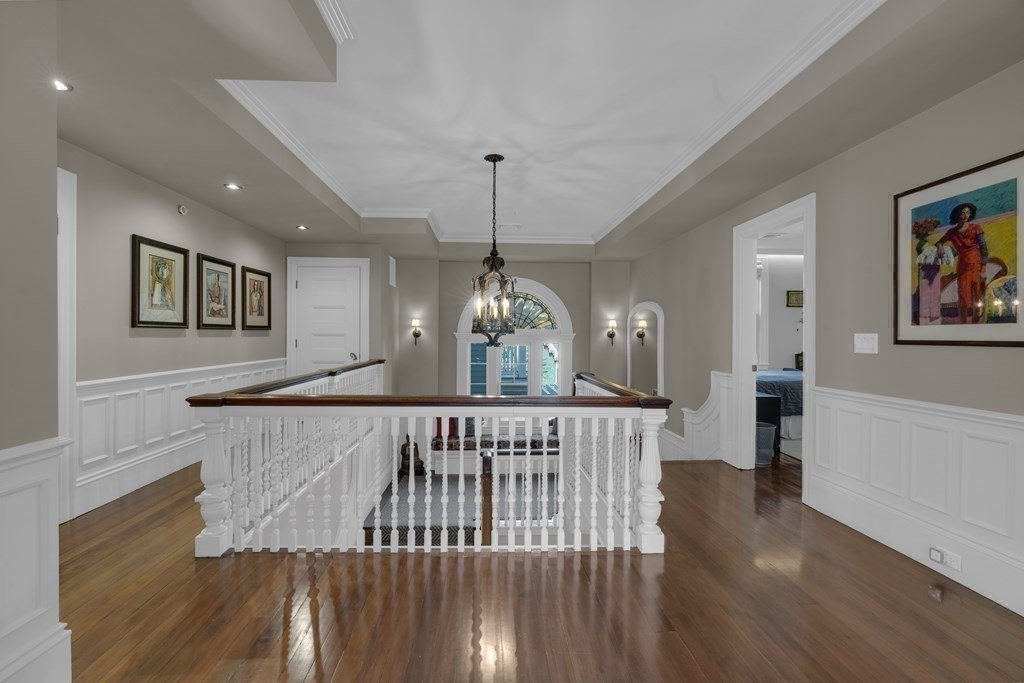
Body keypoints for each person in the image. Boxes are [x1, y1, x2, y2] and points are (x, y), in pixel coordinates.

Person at [937, 202, 988, 323]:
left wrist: (984, 268)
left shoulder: (975, 228)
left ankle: (976, 324)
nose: (966, 215)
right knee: (963, 297)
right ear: (957, 215)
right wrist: (940, 246)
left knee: (977, 296)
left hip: (977, 264)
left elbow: (983, 248)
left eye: (968, 213)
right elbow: (939, 242)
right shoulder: (952, 232)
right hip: (963, 266)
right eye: (963, 213)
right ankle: (963, 324)